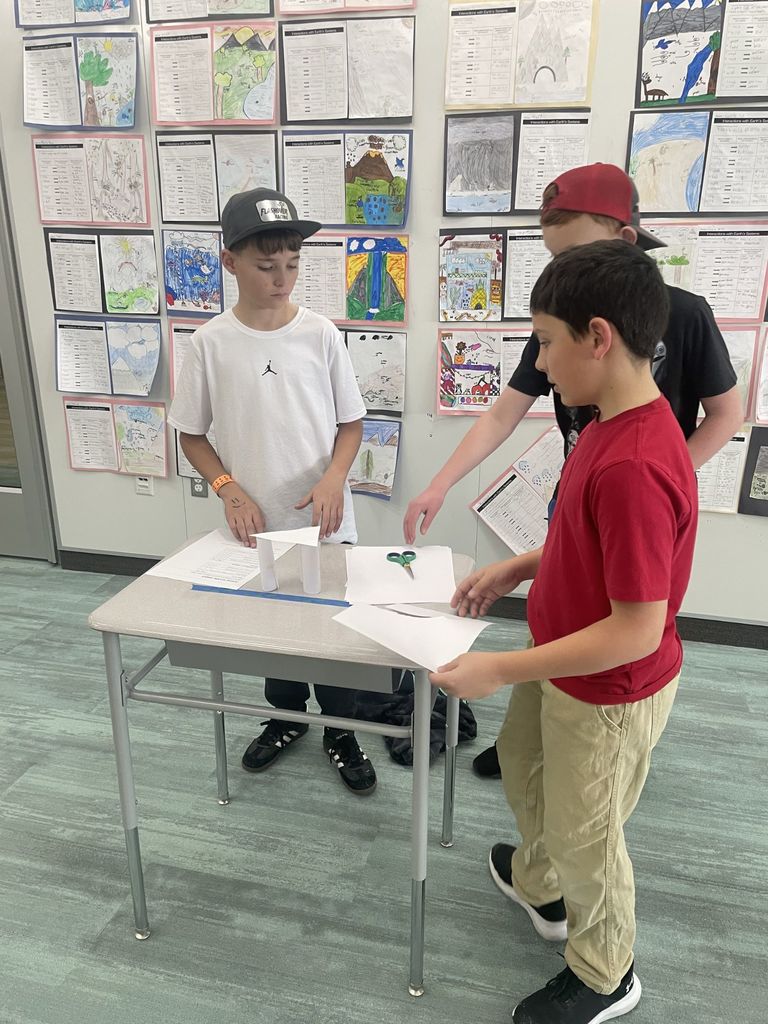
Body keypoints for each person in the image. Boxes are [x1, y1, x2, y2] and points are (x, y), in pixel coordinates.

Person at [430, 240, 698, 1023]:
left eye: (547, 341)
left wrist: (501, 670)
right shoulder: (610, 424)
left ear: (599, 336)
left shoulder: (635, 463)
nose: (540, 364)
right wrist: (523, 565)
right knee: (522, 763)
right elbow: (592, 543)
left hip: (609, 688)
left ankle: (605, 970)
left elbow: (636, 631)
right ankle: (541, 885)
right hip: (562, 663)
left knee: (590, 834)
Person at [404, 163, 742, 778]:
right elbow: (505, 410)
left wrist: (661, 481)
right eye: (555, 260)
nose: (561, 276)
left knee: (610, 629)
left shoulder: (683, 324)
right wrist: (441, 483)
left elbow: (727, 413)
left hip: (629, 493)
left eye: (575, 258)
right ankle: (538, 732)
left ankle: (570, 747)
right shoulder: (573, 352)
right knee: (565, 610)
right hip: (588, 489)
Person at [168, 187, 376, 796]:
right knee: (272, 636)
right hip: (254, 528)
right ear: (230, 261)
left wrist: (336, 475)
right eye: (266, 266)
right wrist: (229, 489)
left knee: (332, 633)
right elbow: (192, 435)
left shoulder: (320, 335)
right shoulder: (210, 343)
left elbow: (351, 422)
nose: (282, 278)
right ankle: (286, 717)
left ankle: (340, 730)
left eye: (291, 263)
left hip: (326, 519)